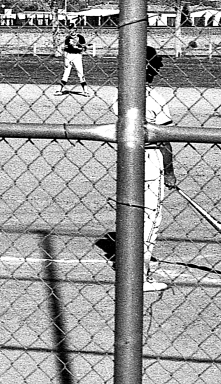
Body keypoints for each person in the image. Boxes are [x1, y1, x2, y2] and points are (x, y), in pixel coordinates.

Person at [96, 46, 176, 293]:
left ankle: (129, 263)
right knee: (149, 216)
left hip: (127, 160)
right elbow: (164, 140)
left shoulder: (122, 95)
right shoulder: (154, 99)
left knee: (133, 211)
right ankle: (138, 277)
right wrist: (170, 171)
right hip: (151, 160)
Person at [58, 25, 90, 95]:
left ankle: (85, 90)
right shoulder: (68, 38)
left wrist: (78, 47)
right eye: (70, 30)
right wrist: (66, 60)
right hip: (69, 55)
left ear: (75, 30)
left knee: (80, 72)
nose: (71, 31)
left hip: (77, 56)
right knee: (66, 72)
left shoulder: (80, 37)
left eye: (73, 29)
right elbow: (66, 50)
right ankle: (59, 89)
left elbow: (84, 48)